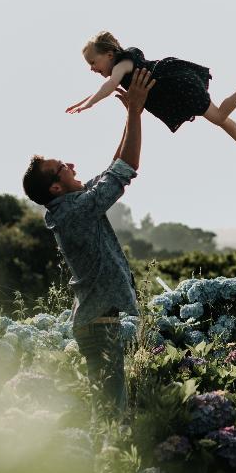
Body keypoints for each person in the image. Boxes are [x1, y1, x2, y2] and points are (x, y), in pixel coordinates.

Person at [22, 68, 156, 426]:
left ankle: (105, 465)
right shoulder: (74, 213)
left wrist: (135, 115)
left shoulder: (74, 205)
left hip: (99, 321)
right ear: (54, 188)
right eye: (62, 166)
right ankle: (106, 472)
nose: (71, 164)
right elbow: (125, 169)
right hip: (98, 325)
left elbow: (115, 168)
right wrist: (133, 112)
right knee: (112, 414)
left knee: (112, 409)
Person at [65, 30, 236, 178]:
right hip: (177, 83)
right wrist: (83, 102)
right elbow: (105, 87)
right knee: (219, 118)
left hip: (177, 86)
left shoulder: (122, 64)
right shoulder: (123, 61)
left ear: (109, 55)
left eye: (93, 62)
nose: (92, 68)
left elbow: (110, 85)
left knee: (218, 116)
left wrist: (90, 104)